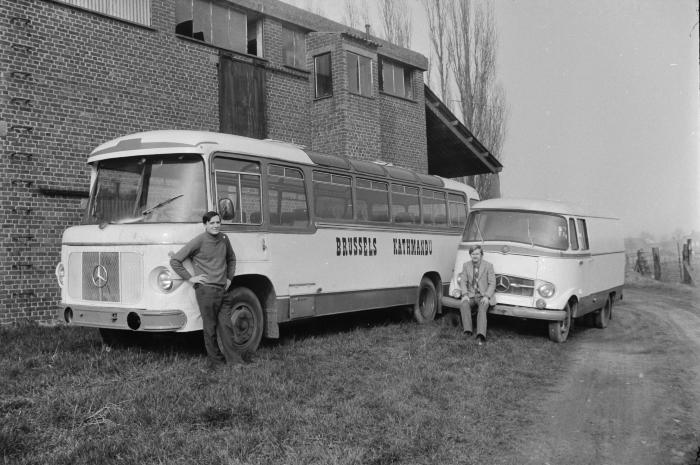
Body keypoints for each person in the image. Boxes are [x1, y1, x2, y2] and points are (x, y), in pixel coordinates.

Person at [170, 211, 242, 366]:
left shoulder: (224, 239)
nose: (216, 226)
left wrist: (229, 278)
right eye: (212, 223)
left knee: (227, 327)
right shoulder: (199, 241)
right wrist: (190, 278)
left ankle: (236, 362)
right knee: (210, 328)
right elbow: (175, 260)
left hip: (223, 290)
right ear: (205, 225)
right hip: (206, 291)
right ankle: (216, 362)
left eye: (218, 222)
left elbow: (231, 258)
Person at [458, 245, 496, 345]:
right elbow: (463, 281)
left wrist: (487, 296)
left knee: (482, 308)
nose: (475, 256)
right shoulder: (466, 265)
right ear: (470, 255)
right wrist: (465, 294)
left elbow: (492, 283)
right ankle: (468, 331)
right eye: (473, 254)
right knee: (464, 304)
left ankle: (480, 335)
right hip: (470, 295)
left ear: (481, 255)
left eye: (477, 254)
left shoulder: (488, 266)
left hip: (483, 295)